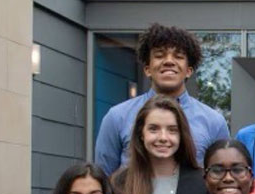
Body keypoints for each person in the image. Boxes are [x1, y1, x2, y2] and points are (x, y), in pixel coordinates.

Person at [95, 23, 229, 175]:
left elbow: (220, 178)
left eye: (178, 56)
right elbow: (103, 179)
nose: (169, 61)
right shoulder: (117, 117)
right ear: (147, 69)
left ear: (189, 71)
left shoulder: (214, 122)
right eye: (159, 55)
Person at [111, 95, 210, 194]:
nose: (163, 137)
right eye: (154, 129)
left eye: (172, 130)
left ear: (181, 135)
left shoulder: (202, 182)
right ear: (141, 134)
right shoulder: (120, 182)